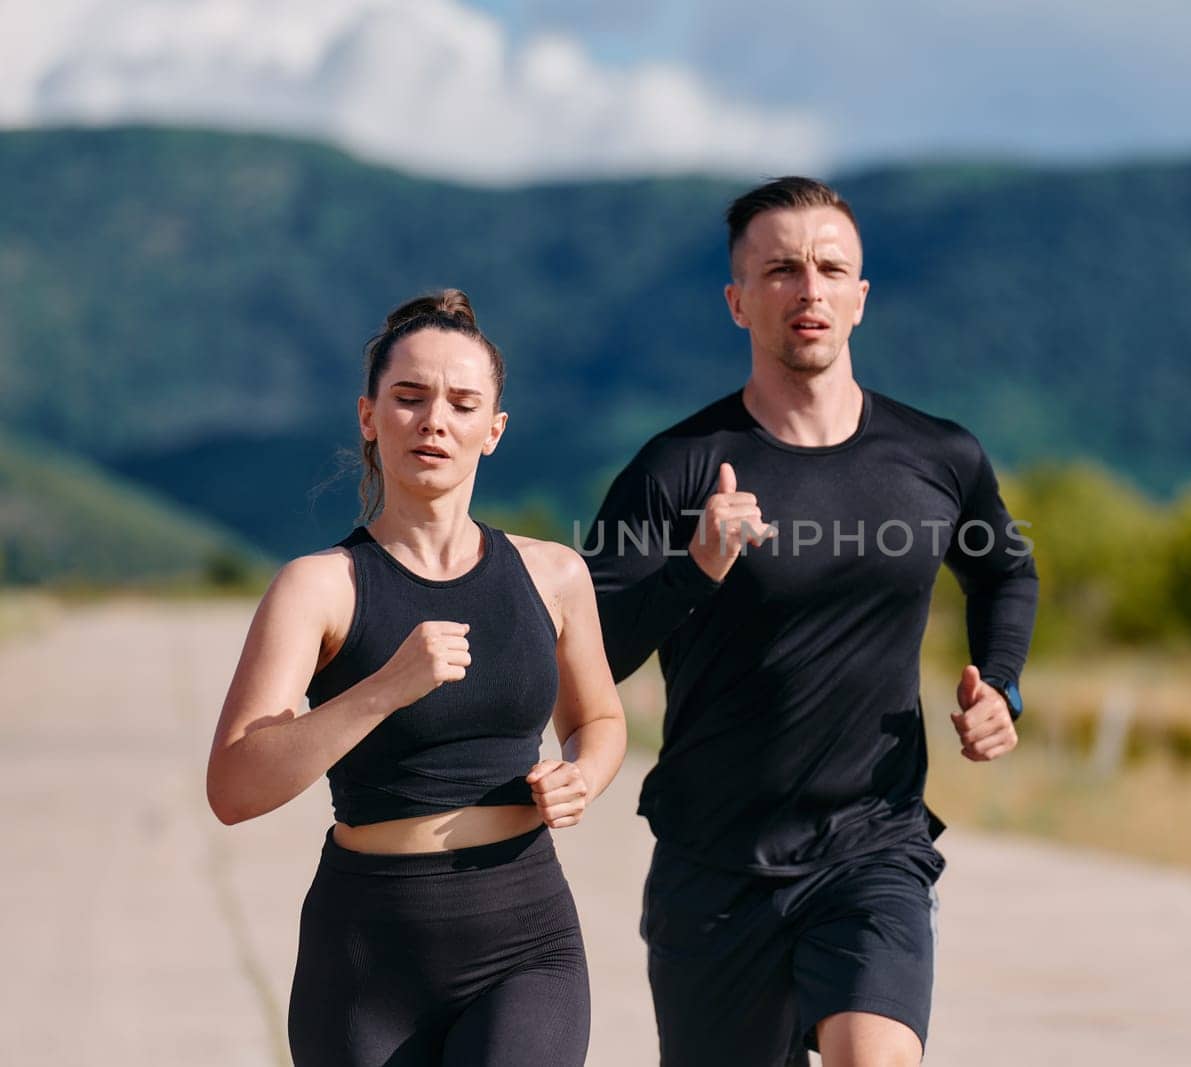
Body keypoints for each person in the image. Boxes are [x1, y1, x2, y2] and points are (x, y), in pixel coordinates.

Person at [584, 177, 1038, 1066]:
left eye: (832, 268)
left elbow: (1006, 569)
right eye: (782, 269)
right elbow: (591, 643)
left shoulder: (939, 457)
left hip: (874, 844)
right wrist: (697, 567)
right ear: (738, 300)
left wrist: (1005, 684)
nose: (810, 289)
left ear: (861, 298)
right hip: (715, 864)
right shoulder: (677, 469)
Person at [206, 290, 625, 1066]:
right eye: (409, 397)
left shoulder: (554, 575)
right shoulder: (320, 587)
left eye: (463, 403)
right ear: (369, 416)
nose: (435, 419)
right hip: (365, 954)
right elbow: (234, 786)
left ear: (493, 430)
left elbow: (598, 720)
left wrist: (584, 776)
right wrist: (383, 688)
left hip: (525, 939)